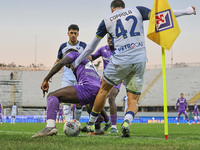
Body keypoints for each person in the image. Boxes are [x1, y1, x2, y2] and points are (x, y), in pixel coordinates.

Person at [72, 0, 196, 137]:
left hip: (120, 60)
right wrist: (186, 11)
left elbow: (91, 47)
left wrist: (77, 61)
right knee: (133, 99)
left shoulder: (107, 20)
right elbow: (163, 15)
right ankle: (126, 121)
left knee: (103, 90)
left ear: (112, 9)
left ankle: (91, 123)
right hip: (139, 59)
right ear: (123, 7)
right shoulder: (137, 10)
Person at [32, 49, 106, 138]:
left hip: (88, 88)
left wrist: (46, 79)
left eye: (66, 59)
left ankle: (50, 126)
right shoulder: (89, 65)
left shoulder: (73, 54)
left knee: (52, 95)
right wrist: (98, 112)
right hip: (99, 90)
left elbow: (60, 63)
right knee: (88, 103)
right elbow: (93, 92)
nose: (67, 66)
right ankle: (98, 130)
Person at [51, 24, 87, 122]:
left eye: (75, 33)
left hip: (80, 77)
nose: (73, 35)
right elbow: (58, 61)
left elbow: (89, 61)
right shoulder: (63, 47)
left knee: (80, 101)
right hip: (66, 77)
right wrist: (51, 74)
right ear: (68, 33)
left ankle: (77, 123)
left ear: (78, 34)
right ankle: (67, 123)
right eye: (71, 33)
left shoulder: (83, 46)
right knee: (65, 100)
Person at [88, 34, 121, 133]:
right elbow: (91, 57)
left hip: (117, 80)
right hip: (105, 80)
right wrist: (81, 56)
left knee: (111, 98)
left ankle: (114, 126)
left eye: (112, 38)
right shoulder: (103, 49)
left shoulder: (121, 51)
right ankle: (107, 121)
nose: (110, 40)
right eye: (108, 39)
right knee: (95, 99)